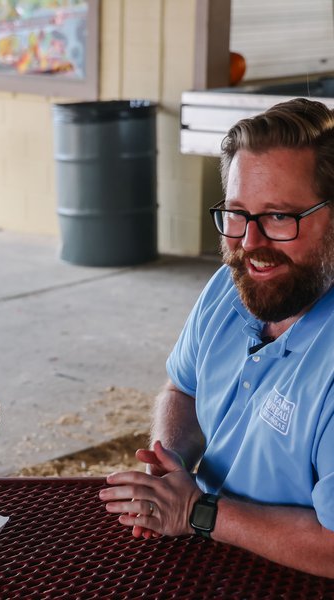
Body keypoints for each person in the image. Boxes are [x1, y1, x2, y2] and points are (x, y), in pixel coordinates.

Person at [100, 97, 334, 578]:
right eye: (236, 214)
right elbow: (182, 388)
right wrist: (171, 459)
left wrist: (199, 513)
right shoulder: (230, 286)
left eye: (278, 217)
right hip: (205, 553)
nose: (250, 244)